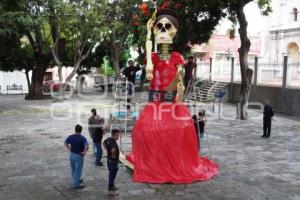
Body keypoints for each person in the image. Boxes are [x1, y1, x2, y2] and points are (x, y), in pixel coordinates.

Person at [126, 9, 218, 183]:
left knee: (178, 131)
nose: (163, 30)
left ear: (174, 31)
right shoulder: (152, 58)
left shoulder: (177, 57)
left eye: (167, 27)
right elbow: (149, 72)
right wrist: (147, 35)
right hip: (154, 103)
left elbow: (179, 77)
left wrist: (178, 88)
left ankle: (173, 162)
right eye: (159, 27)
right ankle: (154, 162)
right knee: (144, 131)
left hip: (171, 102)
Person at [65, 124, 89, 189]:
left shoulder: (70, 136)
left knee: (73, 169)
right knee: (78, 170)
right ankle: (76, 184)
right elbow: (87, 145)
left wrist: (70, 149)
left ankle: (75, 180)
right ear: (81, 130)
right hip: (79, 155)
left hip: (72, 155)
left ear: (75, 129)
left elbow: (66, 142)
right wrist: (84, 152)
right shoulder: (82, 138)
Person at [103, 129, 120, 196]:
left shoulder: (108, 139)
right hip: (113, 161)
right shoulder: (113, 142)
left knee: (113, 173)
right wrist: (113, 155)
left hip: (110, 160)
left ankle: (113, 186)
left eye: (118, 135)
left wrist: (107, 150)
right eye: (117, 135)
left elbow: (103, 143)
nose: (118, 136)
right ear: (113, 135)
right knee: (112, 175)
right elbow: (113, 150)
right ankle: (110, 191)